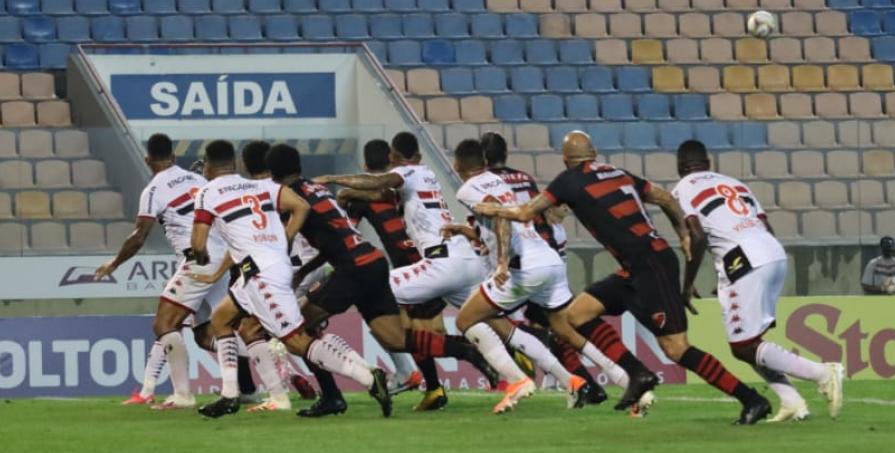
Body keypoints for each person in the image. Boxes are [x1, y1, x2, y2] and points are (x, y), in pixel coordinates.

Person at [475, 131, 773, 424]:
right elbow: (666, 198)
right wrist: (681, 233)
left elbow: (526, 212)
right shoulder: (617, 172)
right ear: (593, 154)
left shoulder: (569, 180)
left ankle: (752, 399)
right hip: (639, 265)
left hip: (650, 265)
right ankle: (638, 373)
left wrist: (494, 210)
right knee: (578, 313)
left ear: (566, 159)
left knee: (677, 349)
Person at [268, 143, 496, 415]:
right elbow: (336, 239)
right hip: (372, 262)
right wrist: (305, 272)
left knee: (297, 331)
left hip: (352, 270)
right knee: (395, 338)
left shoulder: (289, 198)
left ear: (273, 173)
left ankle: (333, 396)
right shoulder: (318, 190)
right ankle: (466, 351)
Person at [190, 140, 392, 419]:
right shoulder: (260, 187)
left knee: (296, 341)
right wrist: (281, 241)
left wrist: (200, 258)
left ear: (209, 165)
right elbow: (301, 207)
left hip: (264, 275)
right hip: (268, 269)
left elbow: (199, 245)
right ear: (235, 164)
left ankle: (369, 377)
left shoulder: (207, 192)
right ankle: (229, 395)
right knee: (222, 318)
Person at [674, 139, 844, 422]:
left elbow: (698, 237)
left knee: (743, 346)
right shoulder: (736, 183)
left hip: (744, 258)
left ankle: (824, 373)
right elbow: (766, 226)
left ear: (680, 167)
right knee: (748, 342)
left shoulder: (683, 188)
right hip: (770, 251)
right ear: (709, 163)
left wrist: (686, 283)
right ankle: (792, 402)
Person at [449, 139, 592, 414]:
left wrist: (501, 263)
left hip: (517, 266)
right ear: (485, 163)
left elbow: (500, 217)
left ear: (457, 166)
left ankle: (516, 380)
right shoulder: (500, 181)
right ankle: (571, 380)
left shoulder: (468, 189)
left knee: (466, 320)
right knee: (506, 328)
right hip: (537, 255)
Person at [94, 133, 230, 410]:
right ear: (175, 157)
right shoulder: (198, 179)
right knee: (206, 336)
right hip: (223, 258)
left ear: (147, 159)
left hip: (199, 259)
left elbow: (138, 236)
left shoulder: (154, 190)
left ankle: (181, 395)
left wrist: (114, 263)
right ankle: (271, 354)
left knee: (164, 324)